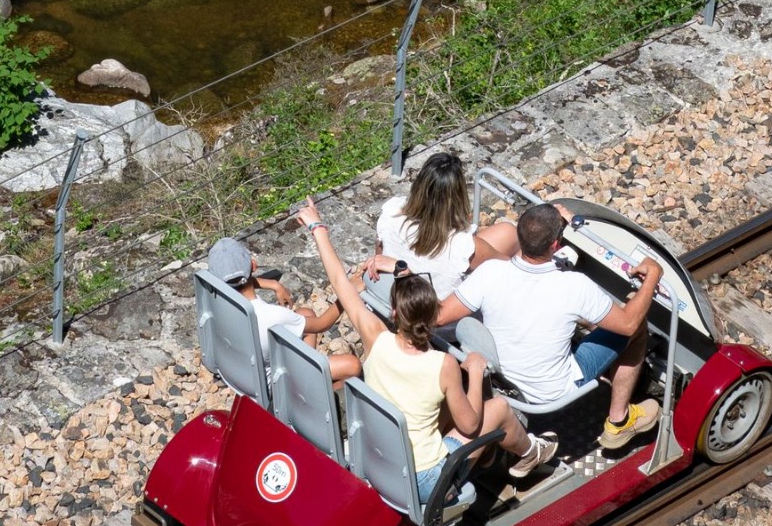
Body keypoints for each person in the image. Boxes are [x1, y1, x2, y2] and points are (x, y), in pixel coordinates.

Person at [297, 204, 557, 485]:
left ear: (394, 313)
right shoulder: (443, 365)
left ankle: (487, 457)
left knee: (444, 404)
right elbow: (469, 425)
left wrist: (318, 228)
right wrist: (475, 370)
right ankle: (532, 451)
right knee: (498, 408)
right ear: (436, 317)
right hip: (424, 481)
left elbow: (339, 280)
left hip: (376, 461)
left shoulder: (376, 338)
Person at [436, 201, 663, 455]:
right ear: (556, 245)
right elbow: (628, 324)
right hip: (553, 391)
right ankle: (619, 421)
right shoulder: (575, 286)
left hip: (501, 378)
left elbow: (441, 315)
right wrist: (652, 275)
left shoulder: (489, 273)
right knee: (637, 325)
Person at [362, 149, 519, 312]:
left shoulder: (390, 212)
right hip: (435, 317)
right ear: (458, 197)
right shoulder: (462, 245)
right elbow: (512, 272)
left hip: (389, 300)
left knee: (502, 234)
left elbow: (379, 257)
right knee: (508, 235)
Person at [205, 235, 360, 384]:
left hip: (244, 379)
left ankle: (310, 373)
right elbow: (322, 324)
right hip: (277, 386)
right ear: (254, 265)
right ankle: (316, 393)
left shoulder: (211, 306)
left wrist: (274, 284)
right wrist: (348, 292)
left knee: (305, 314)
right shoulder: (272, 316)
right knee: (352, 365)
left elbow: (235, 282)